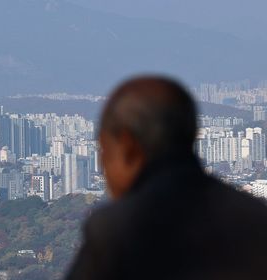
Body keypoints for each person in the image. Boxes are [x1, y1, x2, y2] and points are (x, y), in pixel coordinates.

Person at [66, 76, 267, 280]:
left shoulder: (117, 230)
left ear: (128, 147)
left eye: (105, 152)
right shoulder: (257, 218)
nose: (103, 169)